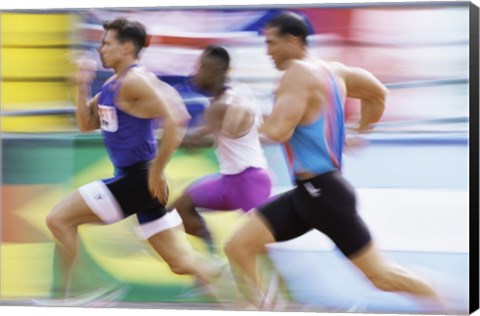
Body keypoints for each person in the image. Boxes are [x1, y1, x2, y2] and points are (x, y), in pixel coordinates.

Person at [223, 12, 445, 311]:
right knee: (238, 246)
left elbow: (277, 131)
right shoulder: (334, 71)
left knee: (382, 276)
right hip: (309, 193)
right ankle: (266, 307)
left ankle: (448, 305)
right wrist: (359, 132)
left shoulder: (297, 74)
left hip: (324, 195)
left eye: (271, 43)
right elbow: (378, 93)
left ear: (293, 40)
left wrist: (242, 118)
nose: (267, 51)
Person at [45, 17, 220, 301]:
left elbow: (177, 118)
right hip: (138, 182)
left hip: (138, 180)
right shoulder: (113, 86)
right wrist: (81, 85)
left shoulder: (136, 80)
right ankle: (225, 282)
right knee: (181, 264)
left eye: (107, 43)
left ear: (126, 47)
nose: (100, 49)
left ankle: (82, 291)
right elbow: (86, 123)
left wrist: (156, 171)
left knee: (58, 219)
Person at [169, 45, 272, 254]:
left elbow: (196, 144)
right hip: (229, 181)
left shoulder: (225, 103)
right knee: (180, 209)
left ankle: (271, 285)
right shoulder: (232, 94)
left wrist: (166, 133)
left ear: (216, 72)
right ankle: (213, 259)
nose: (194, 73)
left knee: (262, 250)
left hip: (250, 181)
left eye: (200, 67)